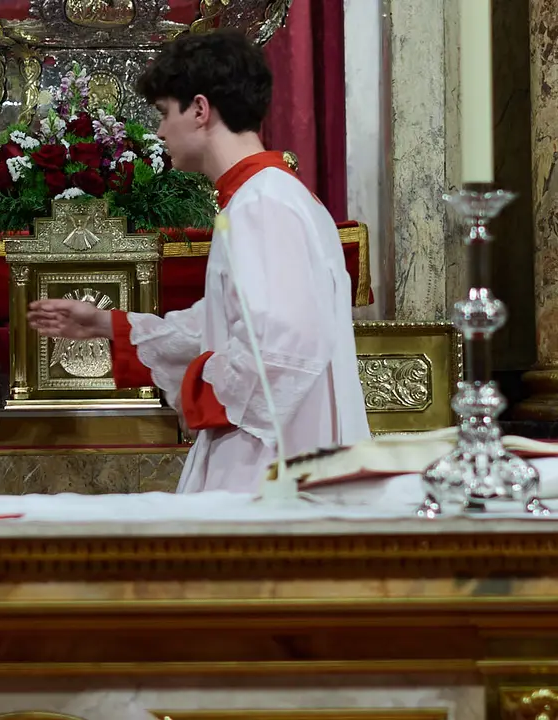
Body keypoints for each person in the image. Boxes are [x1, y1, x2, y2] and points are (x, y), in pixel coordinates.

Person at [28, 29, 370, 493]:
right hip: (270, 449)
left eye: (165, 113)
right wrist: (109, 325)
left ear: (200, 110)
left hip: (269, 462)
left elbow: (279, 345)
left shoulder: (263, 202)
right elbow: (228, 325)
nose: (160, 131)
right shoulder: (261, 196)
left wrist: (199, 390)